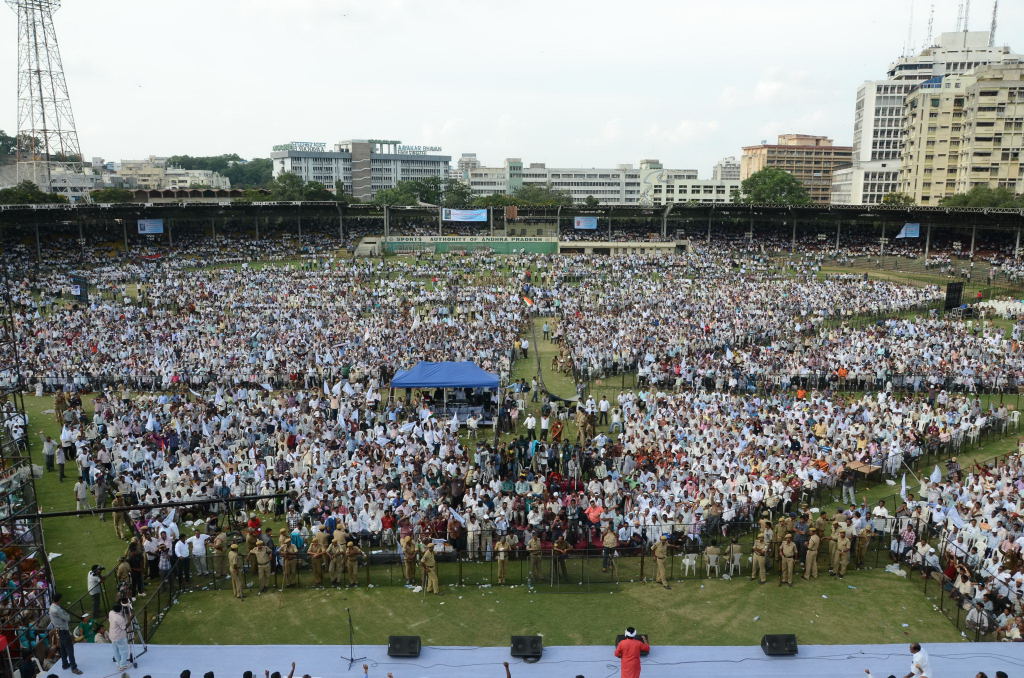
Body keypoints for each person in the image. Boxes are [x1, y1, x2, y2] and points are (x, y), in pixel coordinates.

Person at [49, 592, 83, 674]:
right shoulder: (57, 609)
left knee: (63, 649)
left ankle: (65, 664)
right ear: (59, 599)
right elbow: (67, 618)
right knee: (70, 649)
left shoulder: (52, 607)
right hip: (63, 631)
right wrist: (65, 613)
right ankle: (74, 668)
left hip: (59, 630)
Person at [108, 602, 131, 672]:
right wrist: (130, 620)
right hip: (119, 637)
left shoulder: (111, 613)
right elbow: (124, 627)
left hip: (112, 635)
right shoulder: (119, 618)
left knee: (116, 650)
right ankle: (122, 666)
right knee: (124, 651)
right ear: (120, 609)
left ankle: (118, 663)